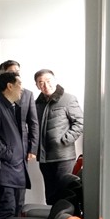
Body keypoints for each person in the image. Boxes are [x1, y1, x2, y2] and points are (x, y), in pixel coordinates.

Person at [0, 71, 31, 219]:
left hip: (16, 169)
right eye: (19, 85)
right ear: (9, 86)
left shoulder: (11, 106)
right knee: (5, 213)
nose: (22, 89)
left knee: (13, 212)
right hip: (5, 170)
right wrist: (10, 155)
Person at [34, 69, 84, 204]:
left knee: (64, 192)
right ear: (37, 85)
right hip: (44, 157)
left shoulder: (68, 99)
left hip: (63, 156)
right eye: (41, 82)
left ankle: (64, 217)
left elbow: (80, 122)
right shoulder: (36, 103)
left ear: (55, 81)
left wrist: (64, 140)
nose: (45, 85)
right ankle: (51, 217)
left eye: (48, 81)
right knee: (50, 195)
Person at [0, 60, 39, 162]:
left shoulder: (27, 94)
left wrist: (33, 148)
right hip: (2, 148)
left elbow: (33, 123)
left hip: (23, 146)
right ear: (2, 74)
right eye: (11, 72)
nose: (15, 74)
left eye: (17, 71)